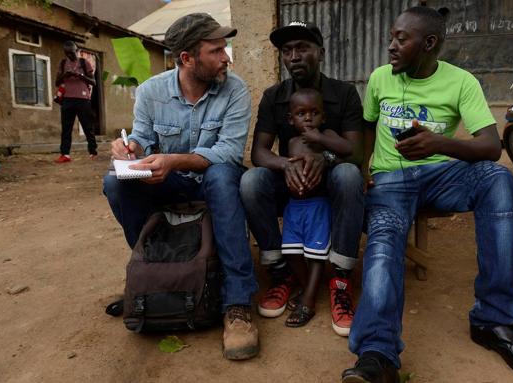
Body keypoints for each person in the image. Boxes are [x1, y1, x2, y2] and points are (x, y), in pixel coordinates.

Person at [342, 7, 513, 383]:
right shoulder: (380, 78)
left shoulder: (462, 82)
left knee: (497, 180)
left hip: (440, 174)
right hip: (390, 182)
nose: (391, 46)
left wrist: (438, 144)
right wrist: (363, 172)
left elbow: (492, 146)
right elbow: (367, 125)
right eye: (391, 37)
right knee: (383, 245)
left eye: (401, 39)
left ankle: (494, 323)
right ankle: (377, 353)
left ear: (429, 44)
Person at [102, 13, 259, 361]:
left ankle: (237, 303)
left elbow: (229, 153)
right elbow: (142, 138)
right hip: (167, 183)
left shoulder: (234, 90)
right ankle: (152, 275)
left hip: (213, 184)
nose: (226, 58)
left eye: (225, 49)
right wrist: (131, 151)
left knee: (221, 173)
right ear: (187, 59)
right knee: (115, 182)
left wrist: (173, 160)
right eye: (216, 51)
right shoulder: (150, 92)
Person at [240, 21, 364, 337]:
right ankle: (281, 273)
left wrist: (329, 158)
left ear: (320, 52)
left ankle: (340, 278)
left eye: (303, 48)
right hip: (291, 183)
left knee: (350, 175)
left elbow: (356, 153)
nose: (294, 56)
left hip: (331, 180)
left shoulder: (344, 93)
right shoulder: (274, 96)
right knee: (252, 182)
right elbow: (260, 153)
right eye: (287, 50)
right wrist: (285, 165)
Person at [281, 88, 352, 328]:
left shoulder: (327, 135)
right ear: (291, 119)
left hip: (318, 206)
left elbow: (348, 149)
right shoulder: (290, 142)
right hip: (294, 206)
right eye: (301, 113)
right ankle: (307, 286)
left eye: (314, 113)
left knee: (315, 256)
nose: (308, 118)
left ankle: (308, 302)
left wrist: (322, 141)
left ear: (323, 117)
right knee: (291, 252)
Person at [54, 41, 98, 163]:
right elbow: (57, 82)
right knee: (66, 128)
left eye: (72, 53)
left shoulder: (84, 62)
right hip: (67, 99)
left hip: (83, 99)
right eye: (67, 53)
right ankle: (65, 154)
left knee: (87, 126)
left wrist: (80, 76)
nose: (70, 55)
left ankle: (93, 152)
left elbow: (93, 82)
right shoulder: (63, 63)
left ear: (76, 50)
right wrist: (65, 75)